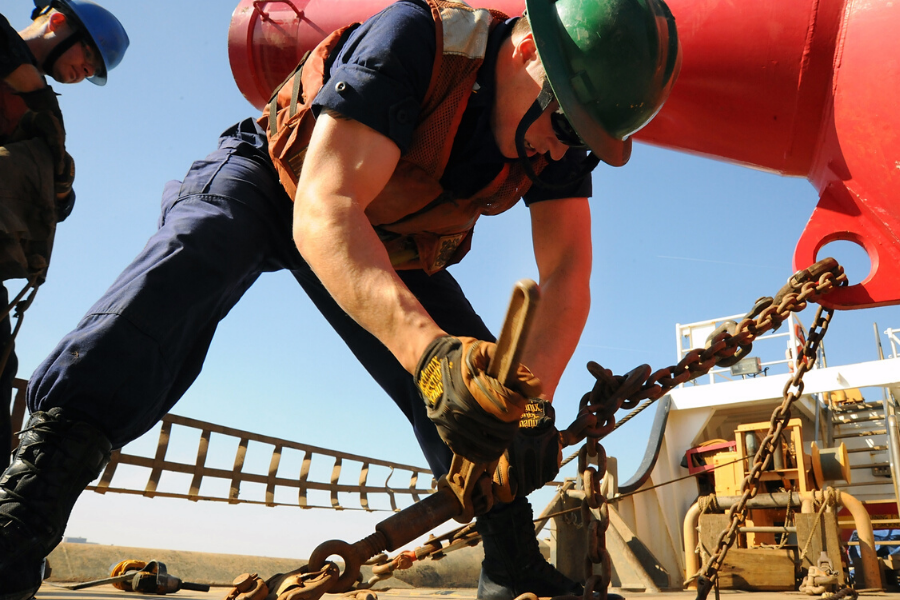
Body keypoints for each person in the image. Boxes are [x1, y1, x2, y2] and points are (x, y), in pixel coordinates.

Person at [0, 0, 679, 598]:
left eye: (584, 140)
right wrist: (428, 355)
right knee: (190, 262)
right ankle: (24, 517)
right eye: (564, 123)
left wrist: (524, 399)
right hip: (279, 177)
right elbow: (327, 211)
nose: (561, 148)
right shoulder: (418, 39)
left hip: (390, 233)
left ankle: (511, 564)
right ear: (528, 51)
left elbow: (566, 275)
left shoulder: (558, 144)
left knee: (486, 382)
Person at [0, 0, 128, 471]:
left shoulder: (43, 113)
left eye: (93, 68)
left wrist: (62, 188)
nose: (84, 70)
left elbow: (56, 203)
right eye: (88, 56)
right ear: (57, 21)